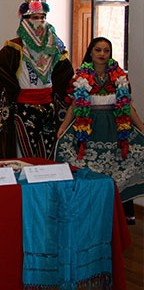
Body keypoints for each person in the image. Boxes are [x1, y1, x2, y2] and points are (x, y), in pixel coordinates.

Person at [55, 37, 144, 224]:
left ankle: (112, 215)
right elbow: (74, 106)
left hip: (114, 130)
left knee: (115, 171)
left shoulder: (120, 77)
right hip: (89, 131)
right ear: (91, 52)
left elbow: (127, 106)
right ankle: (88, 214)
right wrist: (63, 127)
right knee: (88, 171)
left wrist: (141, 127)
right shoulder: (81, 77)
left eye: (106, 50)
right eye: (98, 50)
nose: (102, 54)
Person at [0, 0, 73, 160]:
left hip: (48, 107)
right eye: (34, 18)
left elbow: (65, 73)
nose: (39, 22)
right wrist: (12, 93)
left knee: (47, 152)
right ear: (24, 21)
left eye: (42, 17)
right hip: (24, 107)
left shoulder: (54, 46)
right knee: (24, 154)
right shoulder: (15, 47)